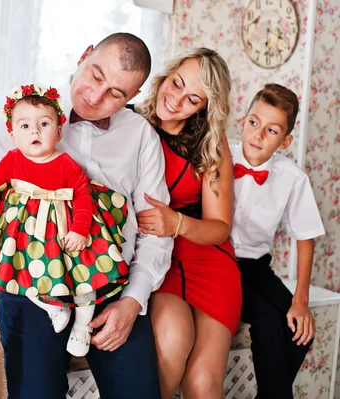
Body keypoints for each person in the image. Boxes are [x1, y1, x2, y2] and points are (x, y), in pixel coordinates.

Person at [0, 33, 172, 399]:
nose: (95, 97)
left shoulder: (141, 136)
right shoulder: (27, 113)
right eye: (95, 75)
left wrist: (133, 301)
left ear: (133, 98)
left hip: (111, 284)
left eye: (116, 93)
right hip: (31, 281)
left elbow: (156, 232)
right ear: (84, 55)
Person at [0, 83, 130, 357]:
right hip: (28, 235)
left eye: (44, 123)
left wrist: (79, 230)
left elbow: (82, 197)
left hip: (65, 230)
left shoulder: (65, 163)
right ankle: (53, 306)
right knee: (24, 274)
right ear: (12, 134)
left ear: (59, 130)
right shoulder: (12, 160)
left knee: (85, 277)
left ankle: (82, 325)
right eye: (25, 126)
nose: (36, 132)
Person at [132, 47, 240, 398]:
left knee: (203, 384)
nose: (176, 100)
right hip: (158, 259)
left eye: (192, 98)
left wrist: (177, 222)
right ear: (167, 73)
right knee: (171, 345)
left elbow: (220, 225)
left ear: (203, 108)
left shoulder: (210, 144)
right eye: (176, 83)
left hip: (208, 258)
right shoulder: (129, 122)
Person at [231, 83, 324, 398]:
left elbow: (306, 236)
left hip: (257, 266)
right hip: (220, 262)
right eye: (254, 122)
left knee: (300, 330)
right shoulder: (218, 156)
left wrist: (300, 300)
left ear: (285, 141)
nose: (257, 135)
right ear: (243, 121)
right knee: (269, 321)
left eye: (271, 131)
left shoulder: (292, 178)